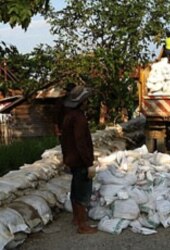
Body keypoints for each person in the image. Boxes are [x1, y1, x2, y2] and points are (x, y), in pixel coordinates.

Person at [61, 85, 97, 234]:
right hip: (81, 160)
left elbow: (64, 141)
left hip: (72, 159)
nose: (88, 103)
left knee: (75, 189)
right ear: (82, 102)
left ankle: (76, 218)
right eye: (86, 100)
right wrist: (89, 163)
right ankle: (82, 225)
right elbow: (81, 142)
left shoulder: (69, 116)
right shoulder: (79, 118)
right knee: (83, 191)